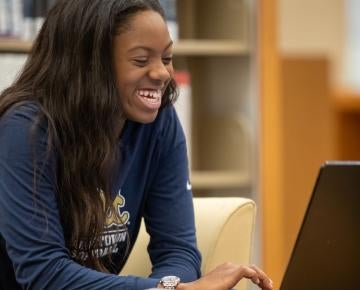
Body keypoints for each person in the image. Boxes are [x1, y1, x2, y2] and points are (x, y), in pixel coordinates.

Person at [0, 0, 273, 289]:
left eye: (167, 58)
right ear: (90, 65)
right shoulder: (24, 130)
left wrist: (169, 288)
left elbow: (178, 250)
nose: (162, 74)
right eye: (141, 60)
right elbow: (44, 274)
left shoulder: (159, 122)